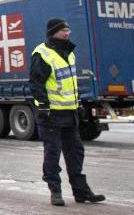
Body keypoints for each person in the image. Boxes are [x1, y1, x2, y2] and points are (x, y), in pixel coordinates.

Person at [30, 18, 105, 207]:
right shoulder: (42, 53)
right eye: (63, 30)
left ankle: (81, 191)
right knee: (53, 153)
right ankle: (55, 191)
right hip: (51, 114)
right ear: (53, 32)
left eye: (68, 29)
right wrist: (43, 106)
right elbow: (36, 84)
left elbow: (70, 84)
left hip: (70, 113)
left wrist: (78, 105)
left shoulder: (69, 53)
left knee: (76, 152)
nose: (67, 32)